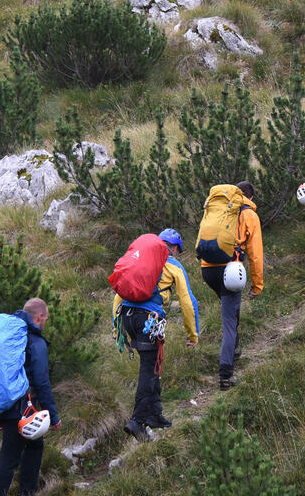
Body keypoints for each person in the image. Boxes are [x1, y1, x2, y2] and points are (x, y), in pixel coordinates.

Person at [0, 298, 61, 496]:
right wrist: (54, 417)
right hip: (25, 409)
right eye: (45, 319)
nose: (45, 322)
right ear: (39, 317)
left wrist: (0, 415)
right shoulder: (35, 342)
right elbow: (42, 382)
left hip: (7, 408)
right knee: (9, 459)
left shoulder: (10, 340)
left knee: (35, 446)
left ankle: (26, 495)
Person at [113, 228, 199, 441]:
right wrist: (193, 334)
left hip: (128, 316)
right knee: (149, 370)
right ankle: (138, 421)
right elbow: (188, 302)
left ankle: (155, 414)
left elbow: (118, 297)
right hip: (149, 319)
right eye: (177, 250)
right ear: (174, 248)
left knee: (152, 364)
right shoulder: (173, 265)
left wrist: (117, 329)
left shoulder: (140, 262)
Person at [200, 181, 263, 390]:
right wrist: (257, 285)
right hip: (230, 272)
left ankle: (234, 349)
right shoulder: (249, 215)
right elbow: (255, 255)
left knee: (231, 311)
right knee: (229, 321)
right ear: (250, 197)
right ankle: (225, 375)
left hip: (207, 269)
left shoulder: (219, 208)